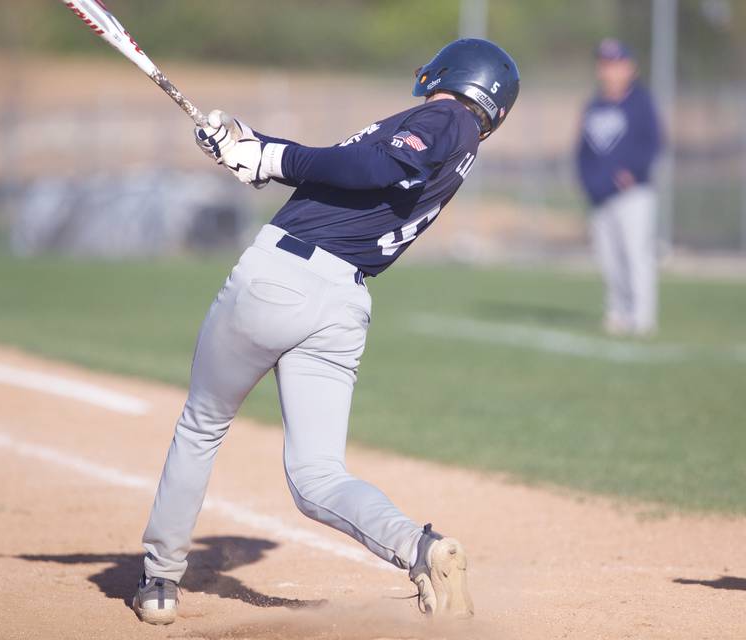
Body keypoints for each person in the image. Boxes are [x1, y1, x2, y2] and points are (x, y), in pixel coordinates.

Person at [131, 38, 520, 625]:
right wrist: (255, 151)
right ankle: (421, 549)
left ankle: (159, 582)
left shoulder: (444, 117)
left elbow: (373, 166)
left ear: (454, 74)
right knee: (318, 476)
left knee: (203, 423)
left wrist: (273, 157)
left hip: (281, 277)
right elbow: (346, 184)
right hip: (343, 303)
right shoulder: (462, 139)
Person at [577, 38, 663, 336]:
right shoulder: (595, 103)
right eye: (604, 64)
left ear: (630, 68)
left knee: (635, 254)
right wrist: (588, 182)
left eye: (615, 64)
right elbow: (583, 151)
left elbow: (652, 142)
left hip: (633, 194)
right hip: (599, 196)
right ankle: (617, 312)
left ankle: (642, 317)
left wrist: (632, 173)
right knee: (608, 257)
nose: (608, 70)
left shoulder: (640, 102)